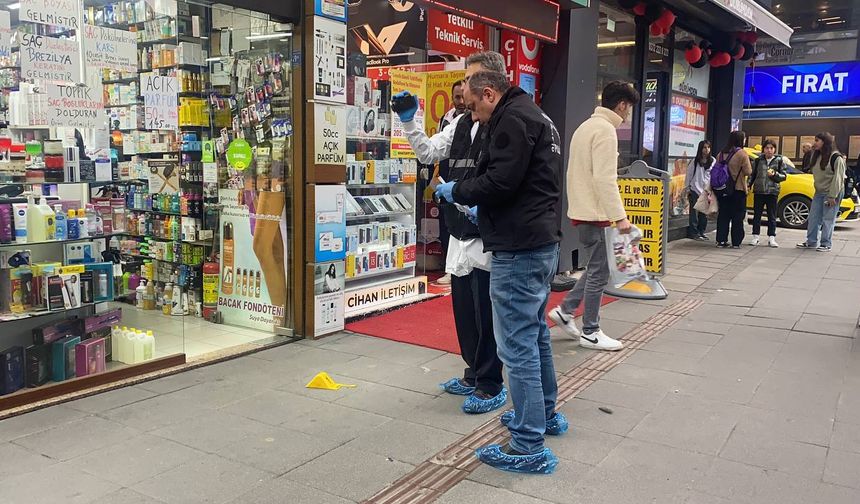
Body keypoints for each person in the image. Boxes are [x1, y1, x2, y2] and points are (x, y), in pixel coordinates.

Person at [435, 51, 566, 474]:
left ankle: (528, 443)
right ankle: (543, 416)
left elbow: (501, 181)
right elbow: (523, 183)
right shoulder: (536, 116)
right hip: (539, 239)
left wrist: (459, 193)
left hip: (519, 246)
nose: (473, 115)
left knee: (518, 344)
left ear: (489, 91)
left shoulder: (511, 119)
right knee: (536, 336)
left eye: (473, 105)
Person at [392, 70, 506, 416]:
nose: (464, 99)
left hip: (486, 229)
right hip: (458, 227)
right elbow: (428, 153)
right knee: (464, 308)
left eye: (468, 90)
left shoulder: (503, 123)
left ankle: (491, 383)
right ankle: (472, 372)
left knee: (487, 311)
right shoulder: (458, 124)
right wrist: (409, 123)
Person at [547, 81, 639, 353]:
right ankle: (591, 330)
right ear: (622, 104)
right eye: (630, 107)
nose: (629, 113)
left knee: (595, 268)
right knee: (601, 271)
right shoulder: (606, 131)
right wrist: (620, 217)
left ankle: (566, 311)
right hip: (596, 214)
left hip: (582, 211)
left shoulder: (585, 127)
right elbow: (605, 179)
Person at [434, 80, 468, 286]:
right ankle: (449, 268)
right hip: (446, 177)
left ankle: (459, 269)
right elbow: (436, 149)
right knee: (447, 225)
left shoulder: (476, 119)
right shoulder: (446, 119)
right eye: (457, 97)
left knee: (462, 222)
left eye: (463, 96)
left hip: (464, 180)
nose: (461, 101)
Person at [797, 132, 846, 252]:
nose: (815, 143)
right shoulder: (816, 155)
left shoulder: (836, 157)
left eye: (817, 140)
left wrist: (832, 196)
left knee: (828, 219)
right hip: (819, 192)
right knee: (813, 217)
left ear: (825, 142)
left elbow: (838, 179)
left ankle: (826, 243)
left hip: (832, 192)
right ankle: (811, 241)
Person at [715, 131, 753, 249]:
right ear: (740, 140)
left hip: (722, 189)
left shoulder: (720, 154)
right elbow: (748, 172)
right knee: (737, 216)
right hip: (738, 189)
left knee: (723, 215)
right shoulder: (742, 154)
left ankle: (721, 240)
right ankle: (736, 242)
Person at [748, 139, 786, 248]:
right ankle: (755, 237)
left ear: (774, 149)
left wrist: (774, 175)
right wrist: (749, 185)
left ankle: (771, 238)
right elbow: (752, 175)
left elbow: (784, 176)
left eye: (771, 148)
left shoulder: (779, 160)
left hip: (772, 192)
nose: (769, 150)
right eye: (767, 148)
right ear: (763, 149)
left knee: (772, 215)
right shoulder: (758, 160)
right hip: (759, 191)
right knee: (757, 215)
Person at [685, 140, 715, 241]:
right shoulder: (695, 161)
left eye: (708, 147)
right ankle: (693, 233)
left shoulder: (713, 161)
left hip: (706, 190)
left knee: (704, 214)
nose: (706, 150)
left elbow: (713, 176)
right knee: (694, 213)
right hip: (694, 189)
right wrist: (687, 188)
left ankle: (701, 232)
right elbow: (689, 175)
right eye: (704, 147)